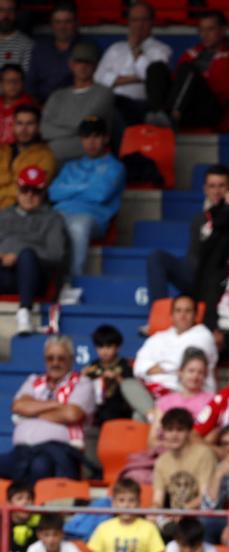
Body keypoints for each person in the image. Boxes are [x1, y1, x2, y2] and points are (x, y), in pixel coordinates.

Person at [145, 163, 229, 304]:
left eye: (221, 186)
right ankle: (159, 314)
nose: (216, 191)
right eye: (212, 186)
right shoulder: (201, 219)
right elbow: (193, 257)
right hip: (202, 277)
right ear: (205, 189)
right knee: (157, 258)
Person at [0, 335, 93, 481]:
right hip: (21, 451)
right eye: (50, 358)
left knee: (40, 466)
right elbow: (18, 405)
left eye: (61, 358)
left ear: (71, 359)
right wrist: (55, 405)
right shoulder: (33, 381)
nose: (55, 363)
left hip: (59, 452)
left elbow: (72, 414)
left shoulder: (82, 383)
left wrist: (32, 411)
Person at [48, 116, 125, 290]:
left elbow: (99, 194)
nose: (91, 142)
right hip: (59, 214)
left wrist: (69, 189)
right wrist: (86, 186)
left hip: (92, 219)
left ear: (105, 138)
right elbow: (53, 193)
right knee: (41, 220)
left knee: (78, 225)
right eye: (86, 136)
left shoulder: (114, 167)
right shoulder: (70, 166)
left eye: (96, 136)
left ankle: (72, 283)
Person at [146, 10, 229, 130]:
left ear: (223, 30)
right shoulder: (191, 54)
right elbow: (177, 83)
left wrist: (201, 80)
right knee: (156, 68)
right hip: (187, 107)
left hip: (211, 111)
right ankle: (158, 115)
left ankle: (172, 117)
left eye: (210, 29)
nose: (204, 35)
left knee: (189, 70)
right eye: (202, 30)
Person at [0, 165, 67, 334]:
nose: (29, 195)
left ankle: (24, 314)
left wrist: (19, 255)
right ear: (18, 189)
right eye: (25, 189)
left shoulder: (52, 219)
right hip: (4, 272)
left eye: (35, 191)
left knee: (27, 255)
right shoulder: (3, 215)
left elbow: (56, 254)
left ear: (43, 193)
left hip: (35, 276)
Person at [94, 2, 171, 124]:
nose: (139, 25)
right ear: (129, 22)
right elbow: (98, 79)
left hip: (142, 106)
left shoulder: (161, 50)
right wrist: (135, 79)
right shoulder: (115, 48)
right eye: (134, 20)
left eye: (144, 20)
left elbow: (152, 77)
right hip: (112, 104)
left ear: (152, 22)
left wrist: (136, 50)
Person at [39, 41, 114, 163]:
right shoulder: (57, 95)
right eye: (79, 62)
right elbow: (44, 129)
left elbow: (82, 125)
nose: (83, 67)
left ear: (96, 66)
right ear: (71, 64)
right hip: (51, 160)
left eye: (88, 63)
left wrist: (58, 130)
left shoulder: (104, 93)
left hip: (88, 160)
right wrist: (74, 131)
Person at [133, 294, 218, 395]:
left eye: (188, 311)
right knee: (130, 387)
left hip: (187, 394)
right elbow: (138, 366)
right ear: (171, 315)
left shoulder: (204, 335)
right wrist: (170, 369)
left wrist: (158, 368)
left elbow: (185, 365)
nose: (182, 315)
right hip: (153, 392)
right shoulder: (158, 337)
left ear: (196, 315)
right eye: (178, 310)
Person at [83, 324, 153, 424]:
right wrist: (82, 377)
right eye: (101, 347)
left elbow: (133, 391)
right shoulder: (92, 367)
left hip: (120, 407)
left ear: (118, 348)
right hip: (97, 407)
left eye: (109, 346)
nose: (105, 351)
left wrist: (117, 378)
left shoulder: (126, 366)